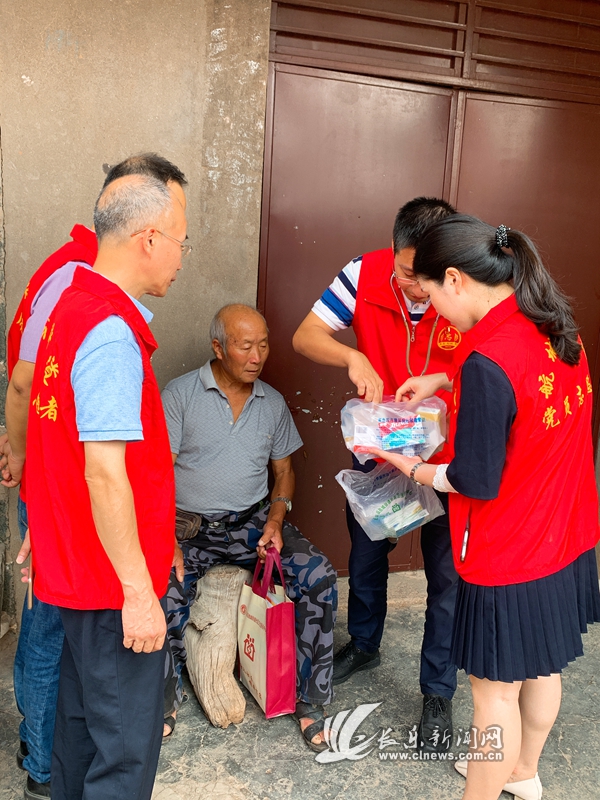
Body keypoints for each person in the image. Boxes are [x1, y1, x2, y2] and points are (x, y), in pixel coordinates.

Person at [374, 215, 600, 800]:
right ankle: (524, 773)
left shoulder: (488, 361)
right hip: (566, 535)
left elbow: (475, 477)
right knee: (543, 666)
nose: (435, 313)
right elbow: (523, 402)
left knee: (493, 695)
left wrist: (411, 468)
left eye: (429, 295)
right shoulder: (555, 326)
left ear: (454, 279)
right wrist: (444, 383)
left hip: (510, 551)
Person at [1, 154, 187, 800]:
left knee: (77, 741)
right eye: (183, 240)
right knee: (123, 757)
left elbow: (52, 438)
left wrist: (44, 528)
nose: (182, 257)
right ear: (150, 239)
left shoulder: (68, 306)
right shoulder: (109, 332)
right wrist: (140, 591)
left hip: (73, 573)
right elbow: (104, 473)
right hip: (110, 590)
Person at [292, 197, 459, 748]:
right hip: (381, 454)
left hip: (445, 464)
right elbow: (305, 335)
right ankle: (364, 645)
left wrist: (445, 382)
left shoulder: (467, 286)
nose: (415, 287)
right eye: (406, 272)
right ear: (393, 251)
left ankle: (438, 690)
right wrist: (349, 357)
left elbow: (494, 364)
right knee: (366, 557)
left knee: (446, 580)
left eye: (425, 278)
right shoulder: (362, 274)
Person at [162, 304, 338, 752]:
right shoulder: (180, 396)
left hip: (252, 523)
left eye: (263, 344)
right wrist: (164, 537)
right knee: (161, 590)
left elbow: (284, 473)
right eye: (245, 345)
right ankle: (163, 700)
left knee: (318, 576)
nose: (257, 355)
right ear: (218, 348)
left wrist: (276, 522)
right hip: (188, 527)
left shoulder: (272, 402)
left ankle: (310, 700)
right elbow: (156, 475)